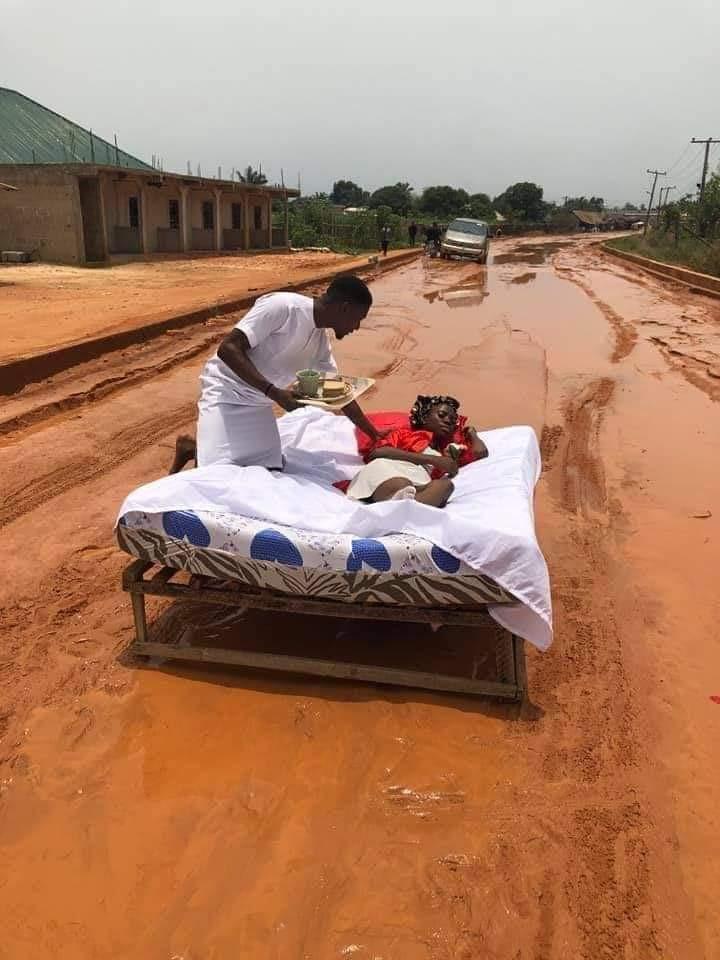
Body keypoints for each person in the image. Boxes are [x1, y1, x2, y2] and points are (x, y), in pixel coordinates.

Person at [170, 275, 386, 473]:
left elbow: (338, 392)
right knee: (216, 474)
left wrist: (373, 433)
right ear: (344, 308)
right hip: (226, 392)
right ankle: (200, 452)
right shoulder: (283, 307)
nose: (356, 327)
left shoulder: (320, 343)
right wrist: (274, 393)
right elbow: (228, 348)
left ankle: (192, 447)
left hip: (258, 402)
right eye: (358, 319)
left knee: (270, 471)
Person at [345, 395, 489, 508]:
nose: (447, 421)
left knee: (445, 486)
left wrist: (471, 433)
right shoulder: (403, 434)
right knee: (401, 484)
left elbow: (480, 452)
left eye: (452, 421)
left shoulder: (449, 450)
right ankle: (405, 506)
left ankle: (403, 507)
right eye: (442, 415)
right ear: (424, 417)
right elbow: (378, 453)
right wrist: (432, 460)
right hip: (389, 471)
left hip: (419, 485)